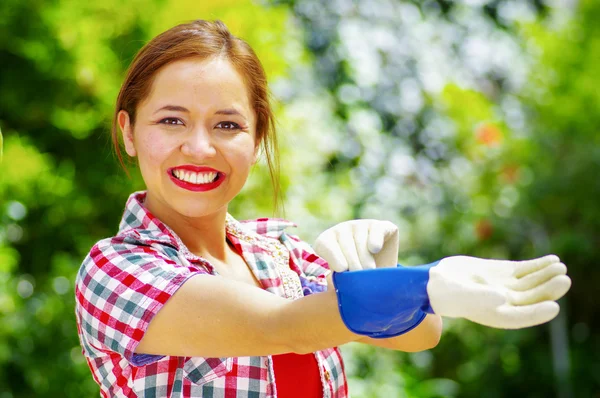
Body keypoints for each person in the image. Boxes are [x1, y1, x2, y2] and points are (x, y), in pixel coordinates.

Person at [75, 20, 571, 398]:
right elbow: (282, 327)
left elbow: (417, 334)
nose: (201, 148)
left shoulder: (279, 251)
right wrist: (427, 283)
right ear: (129, 132)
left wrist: (386, 271)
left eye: (227, 125)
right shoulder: (115, 271)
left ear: (256, 139)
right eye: (172, 121)